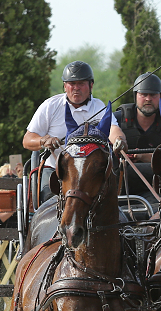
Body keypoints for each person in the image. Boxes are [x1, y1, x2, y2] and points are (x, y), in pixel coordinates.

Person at [23, 61, 126, 204]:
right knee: (50, 199)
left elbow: (113, 129)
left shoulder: (98, 106)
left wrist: (120, 140)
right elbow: (27, 140)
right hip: (56, 169)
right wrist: (44, 140)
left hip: (89, 172)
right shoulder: (50, 106)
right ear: (65, 86)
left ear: (91, 85)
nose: (76, 88)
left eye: (81, 83)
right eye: (72, 84)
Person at [114, 72, 161, 198]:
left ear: (160, 97)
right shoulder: (116, 119)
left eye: (153, 95)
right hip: (117, 190)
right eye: (143, 94)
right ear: (136, 96)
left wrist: (143, 156)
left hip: (156, 192)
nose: (148, 99)